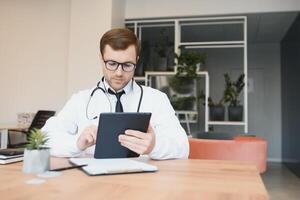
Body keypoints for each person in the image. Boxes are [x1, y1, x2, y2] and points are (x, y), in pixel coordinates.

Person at [42, 28, 189, 159]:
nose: (119, 73)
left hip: (142, 182)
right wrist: (77, 143)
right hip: (92, 182)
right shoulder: (80, 100)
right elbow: (44, 140)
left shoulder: (156, 99)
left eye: (127, 65)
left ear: (136, 61)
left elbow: (183, 148)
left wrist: (155, 146)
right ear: (101, 58)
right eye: (112, 64)